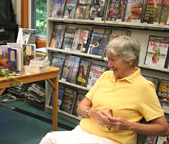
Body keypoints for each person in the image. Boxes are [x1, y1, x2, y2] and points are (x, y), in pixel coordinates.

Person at [40, 35, 168, 144]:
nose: (109, 65)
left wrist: (129, 125)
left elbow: (163, 128)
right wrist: (91, 112)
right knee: (49, 139)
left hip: (110, 140)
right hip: (82, 133)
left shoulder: (144, 87)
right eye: (108, 60)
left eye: (113, 60)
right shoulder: (106, 76)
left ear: (130, 60)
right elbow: (81, 107)